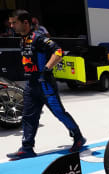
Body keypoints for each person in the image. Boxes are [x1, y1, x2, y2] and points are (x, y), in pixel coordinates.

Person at [7, 10, 86, 160]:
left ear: (25, 22)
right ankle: (27, 148)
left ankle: (78, 137)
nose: (11, 26)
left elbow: (58, 51)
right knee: (28, 117)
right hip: (31, 85)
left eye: (14, 22)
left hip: (45, 85)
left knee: (59, 113)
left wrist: (46, 69)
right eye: (10, 23)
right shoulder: (22, 40)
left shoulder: (39, 38)